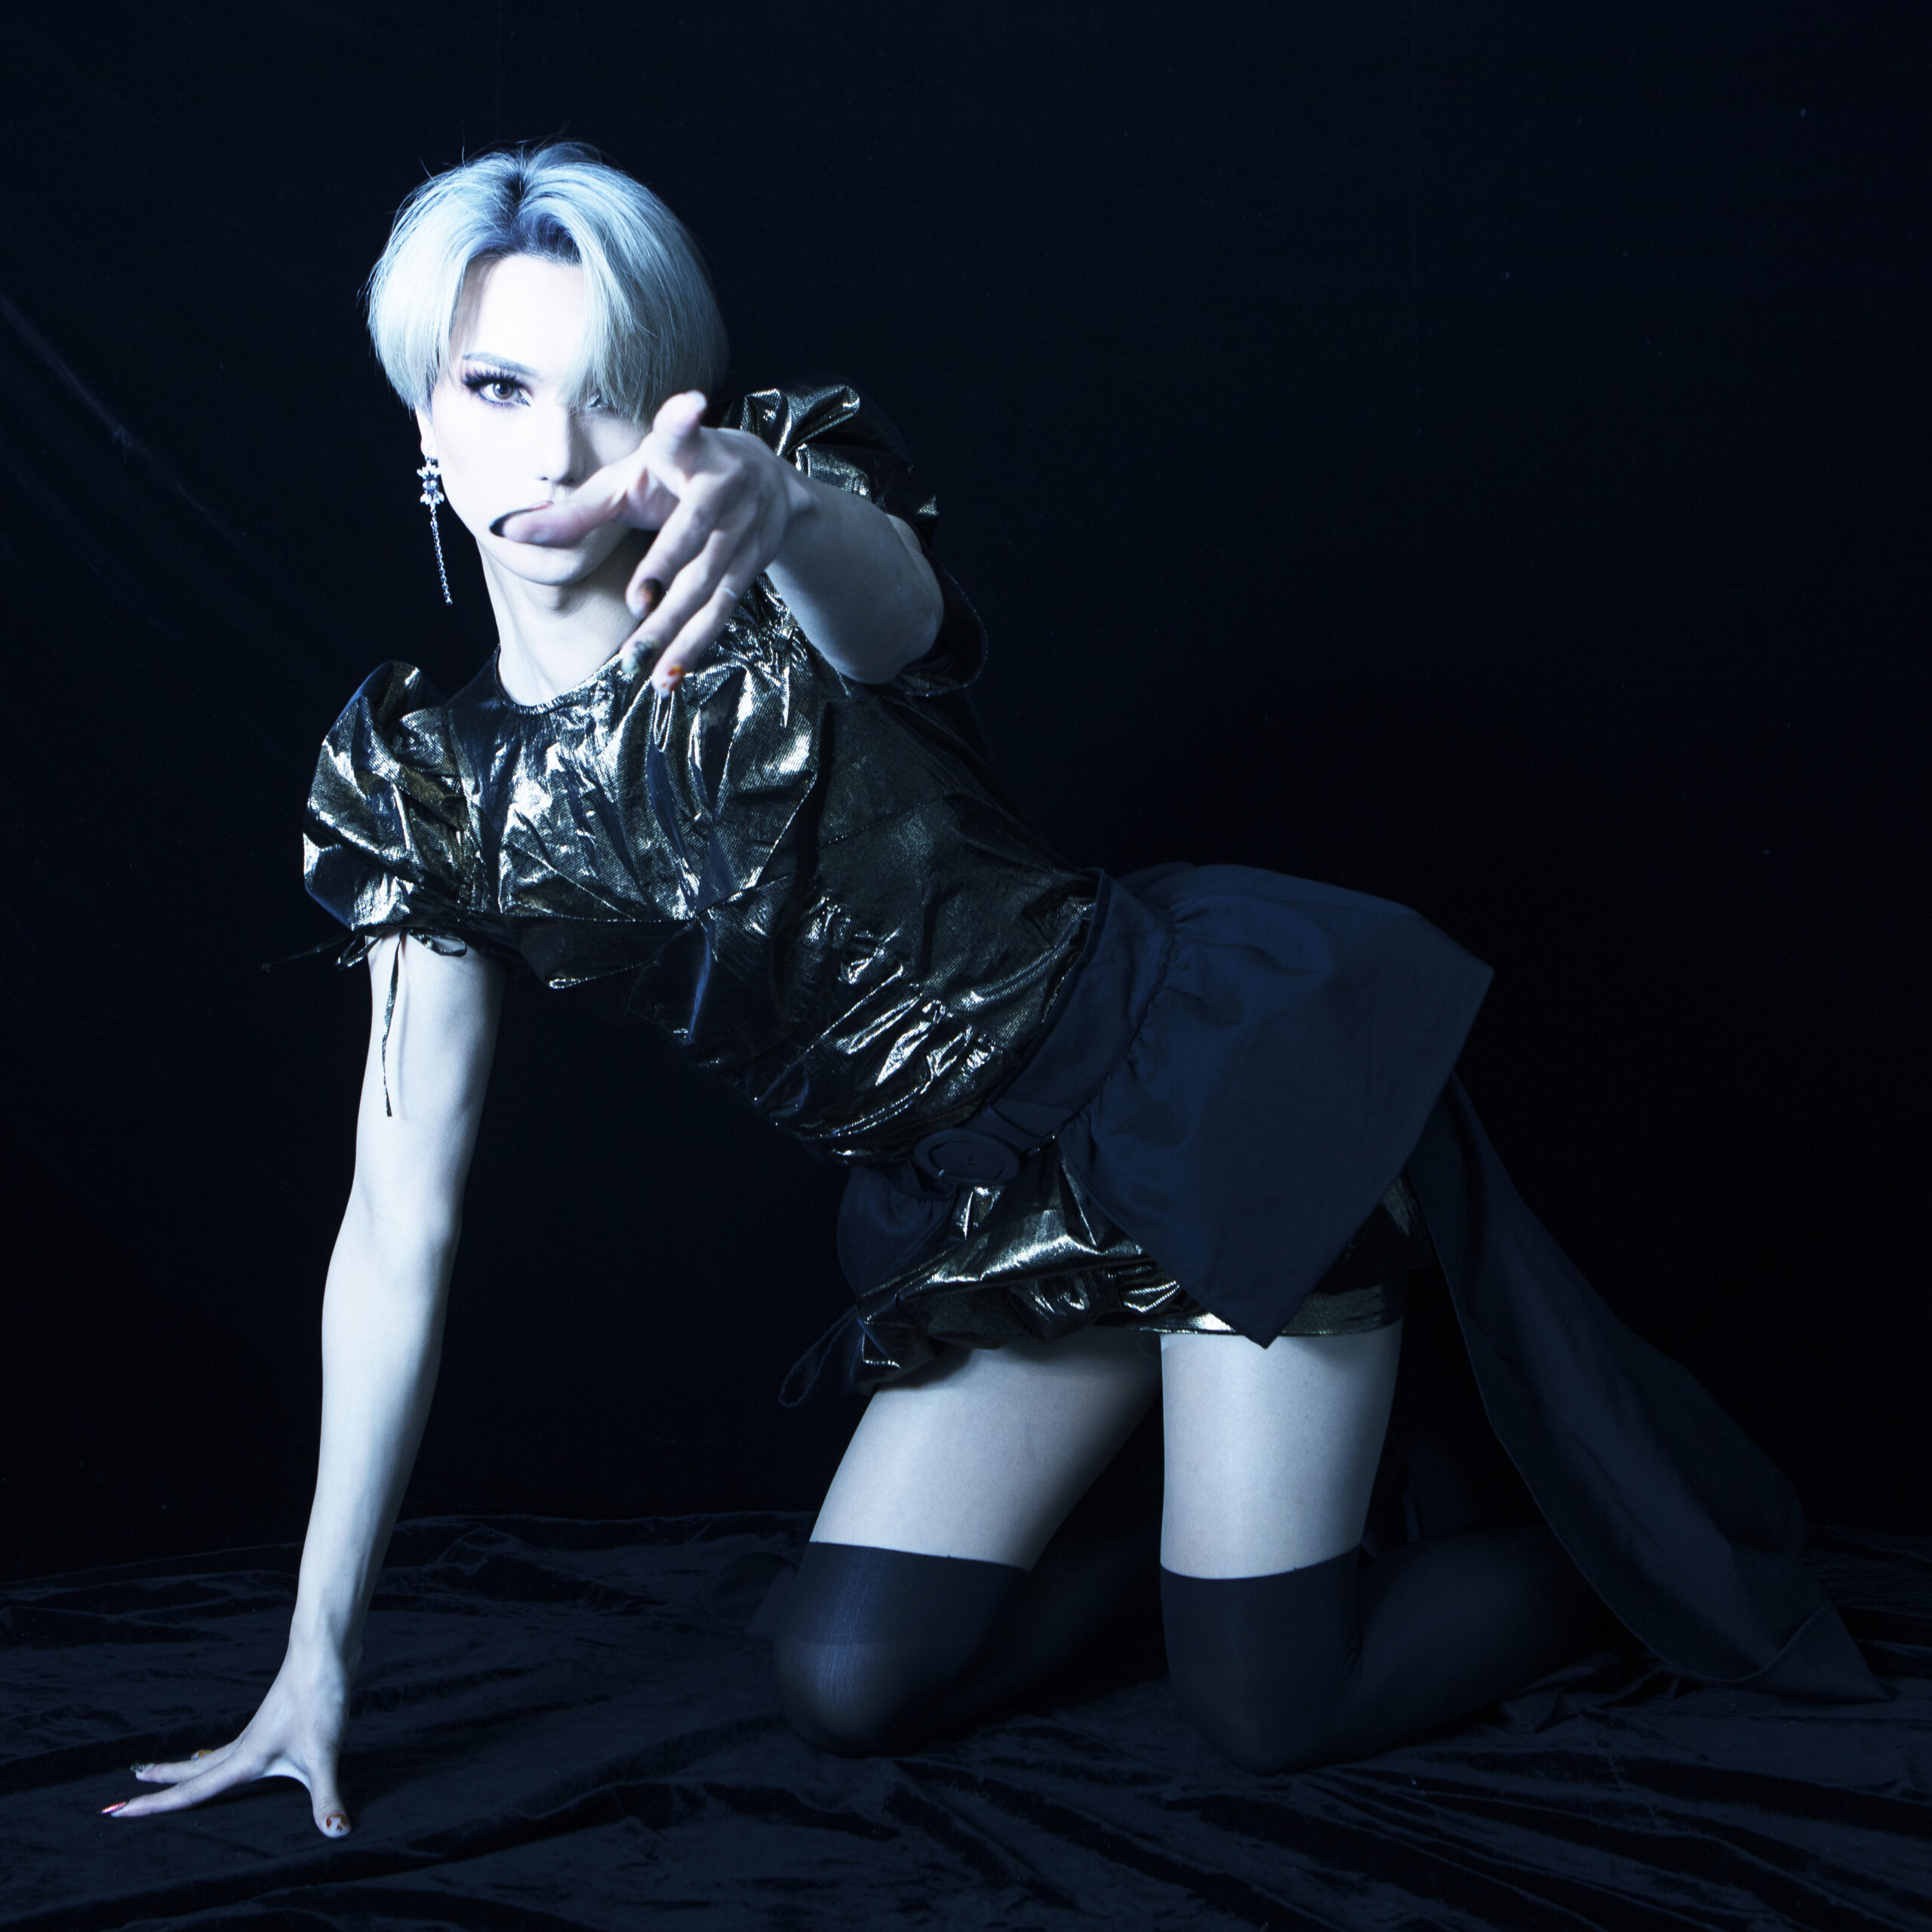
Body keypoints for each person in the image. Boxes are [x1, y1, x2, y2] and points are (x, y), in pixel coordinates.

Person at [101, 143, 1879, 1839]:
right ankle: (1202, 1493)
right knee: (847, 1681)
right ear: (423, 414)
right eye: (498, 388)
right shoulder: (430, 788)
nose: (559, 450)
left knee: (1269, 1698)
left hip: (1201, 1093)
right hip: (986, 1211)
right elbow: (395, 1226)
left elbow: (892, 618)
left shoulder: (774, 516)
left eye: (613, 394)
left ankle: (1621, 1542)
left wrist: (784, 505)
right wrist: (314, 1657)